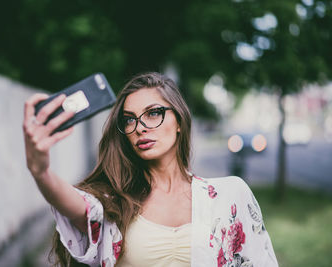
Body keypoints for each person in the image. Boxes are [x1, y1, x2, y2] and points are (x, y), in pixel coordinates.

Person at [23, 72, 278, 267]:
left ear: (179, 120)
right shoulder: (115, 201)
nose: (140, 127)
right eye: (130, 119)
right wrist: (41, 171)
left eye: (153, 113)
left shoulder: (230, 195)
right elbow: (78, 206)